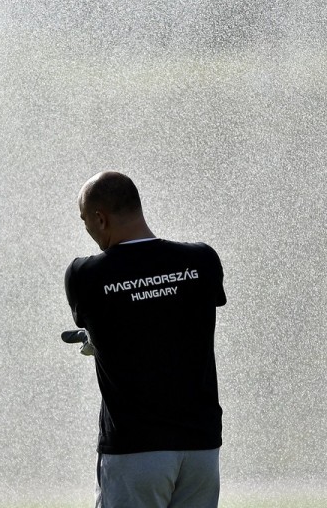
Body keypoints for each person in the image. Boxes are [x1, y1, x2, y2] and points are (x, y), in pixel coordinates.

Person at [64, 171, 227, 508]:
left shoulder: (86, 275)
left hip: (135, 448)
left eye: (85, 220)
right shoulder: (201, 260)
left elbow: (124, 320)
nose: (87, 229)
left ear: (100, 218)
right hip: (201, 448)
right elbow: (169, 320)